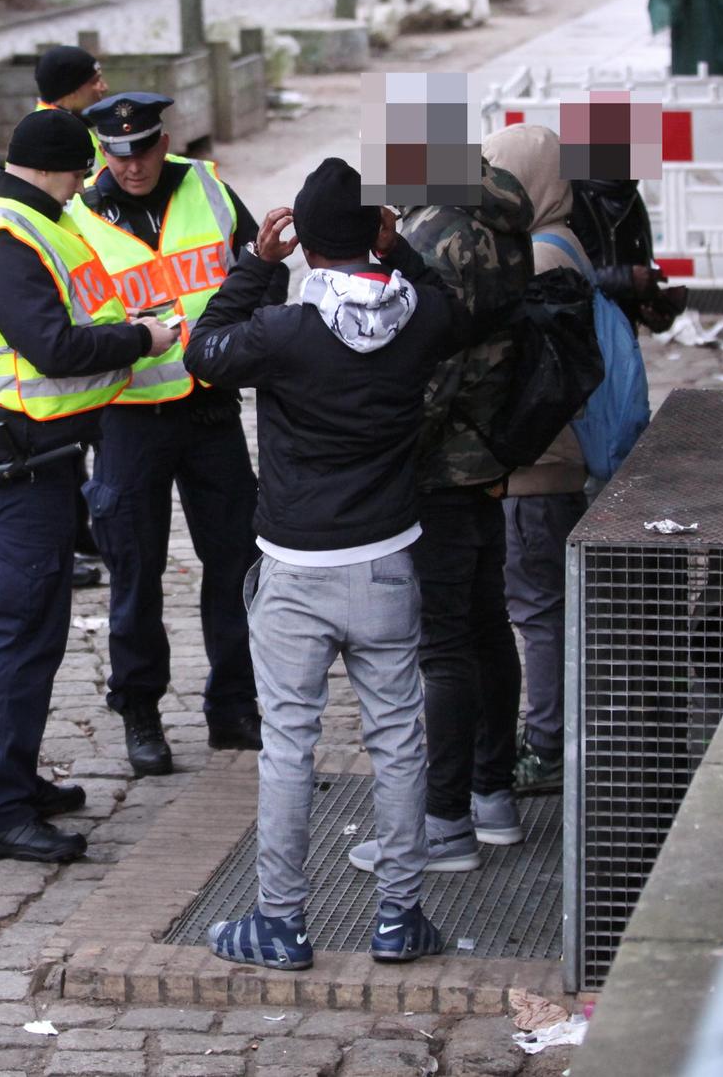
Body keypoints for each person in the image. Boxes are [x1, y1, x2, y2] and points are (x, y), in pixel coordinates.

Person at [183, 159, 470, 970]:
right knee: (399, 742)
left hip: (296, 569)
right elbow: (459, 311)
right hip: (386, 562)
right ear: (378, 232)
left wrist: (256, 267)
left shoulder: (282, 332)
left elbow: (202, 352)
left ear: (304, 240)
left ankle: (280, 922)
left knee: (289, 746)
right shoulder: (420, 318)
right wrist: (401, 252)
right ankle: (399, 917)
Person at [0, 108, 179, 863]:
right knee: (22, 629)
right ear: (52, 168)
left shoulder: (8, 216)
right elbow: (51, 345)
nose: (81, 190)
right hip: (18, 455)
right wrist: (143, 337)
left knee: (36, 630)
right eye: (78, 174)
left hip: (37, 449)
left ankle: (14, 780)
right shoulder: (3, 236)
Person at [66, 92, 271, 776]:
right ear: (103, 152)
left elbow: (258, 270)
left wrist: (246, 343)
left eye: (144, 150)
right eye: (117, 154)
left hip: (209, 406)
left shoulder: (208, 186)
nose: (132, 166)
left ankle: (235, 706)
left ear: (163, 140)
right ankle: (140, 712)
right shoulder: (76, 215)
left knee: (236, 561)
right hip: (128, 415)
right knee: (134, 570)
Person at [343, 155, 533, 879]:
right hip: (483, 451)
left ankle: (442, 821)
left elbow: (435, 359)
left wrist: (384, 453)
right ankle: (490, 796)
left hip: (440, 463)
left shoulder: (442, 230)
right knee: (484, 628)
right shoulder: (492, 213)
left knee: (444, 646)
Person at [488, 125, 590, 797]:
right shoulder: (563, 241)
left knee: (536, 612)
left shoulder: (539, 259)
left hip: (534, 468)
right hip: (556, 464)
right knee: (546, 607)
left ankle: (548, 743)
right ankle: (551, 733)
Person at [32, 45, 112, 589]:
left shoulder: (60, 126)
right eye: (95, 79)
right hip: (68, 309)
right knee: (66, 451)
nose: (103, 87)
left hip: (83, 298)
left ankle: (84, 537)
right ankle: (73, 543)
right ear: (71, 89)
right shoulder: (56, 137)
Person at [568, 178, 686, 333]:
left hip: (620, 339)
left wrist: (648, 304)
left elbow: (626, 263)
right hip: (579, 339)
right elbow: (557, 280)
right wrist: (626, 279)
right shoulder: (566, 196)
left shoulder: (631, 197)